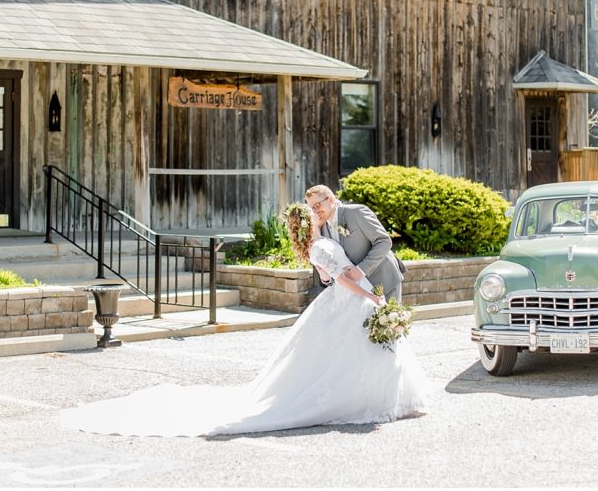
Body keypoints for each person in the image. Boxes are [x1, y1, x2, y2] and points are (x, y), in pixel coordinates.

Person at [58, 203, 428, 437]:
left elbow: (331, 278)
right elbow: (343, 278)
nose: (318, 215)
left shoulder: (321, 242)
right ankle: (370, 401)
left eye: (318, 210)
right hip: (353, 299)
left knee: (348, 354)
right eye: (312, 214)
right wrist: (371, 295)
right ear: (308, 223)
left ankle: (375, 398)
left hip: (343, 301)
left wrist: (357, 286)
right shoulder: (322, 243)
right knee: (352, 354)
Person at [305, 184, 405, 302]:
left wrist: (361, 270)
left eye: (317, 205)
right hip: (359, 292)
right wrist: (327, 278)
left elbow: (383, 241)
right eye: (312, 209)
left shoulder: (356, 212)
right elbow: (337, 263)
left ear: (330, 200)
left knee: (389, 320)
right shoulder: (323, 230)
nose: (315, 212)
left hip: (383, 280)